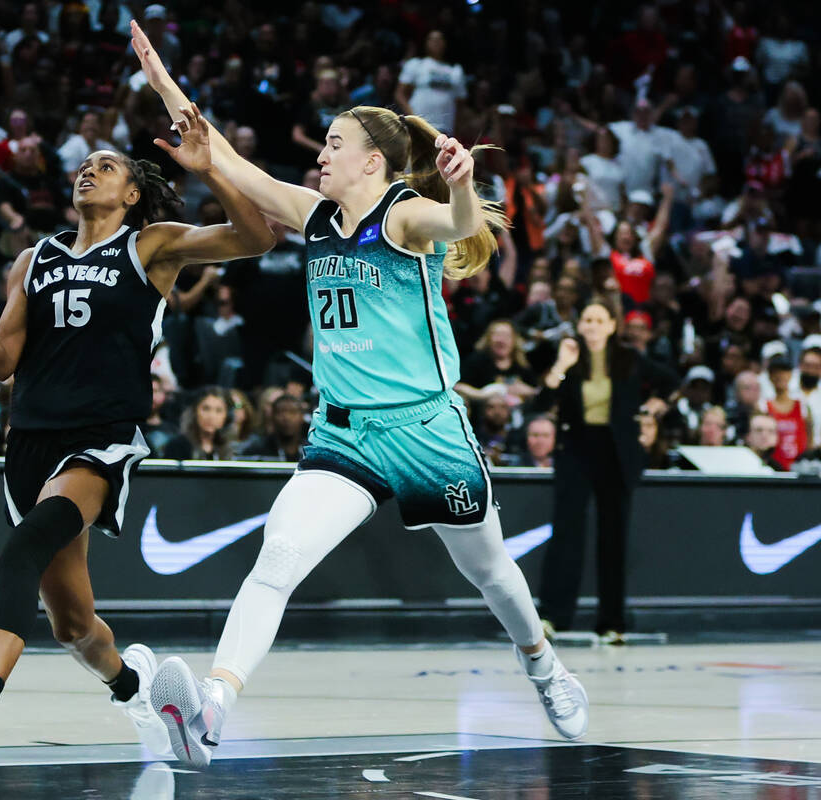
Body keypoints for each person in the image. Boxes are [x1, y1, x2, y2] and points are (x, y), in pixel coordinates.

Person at [131, 21, 589, 770]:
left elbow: (461, 223)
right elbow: (224, 158)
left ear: (372, 162)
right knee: (277, 556)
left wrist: (467, 182)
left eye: (333, 145)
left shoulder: (403, 213)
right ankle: (211, 707)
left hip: (428, 431)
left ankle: (545, 667)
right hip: (344, 435)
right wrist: (162, 80)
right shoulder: (313, 216)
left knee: (492, 573)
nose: (320, 153)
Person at [0, 96, 275, 782]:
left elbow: (257, 236)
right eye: (85, 165)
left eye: (108, 164)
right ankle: (135, 687)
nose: (91, 170)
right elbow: (0, 364)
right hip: (29, 438)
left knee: (20, 550)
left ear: (132, 191)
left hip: (101, 436)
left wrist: (209, 169)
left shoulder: (152, 244)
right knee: (72, 626)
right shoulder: (33, 259)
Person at [533, 300, 677, 642]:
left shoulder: (629, 359)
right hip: (576, 450)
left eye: (600, 320)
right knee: (567, 534)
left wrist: (655, 408)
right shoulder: (569, 357)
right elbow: (539, 404)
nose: (593, 326)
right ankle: (552, 616)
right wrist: (560, 367)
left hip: (616, 452)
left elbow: (669, 380)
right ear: (579, 325)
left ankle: (612, 621)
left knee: (613, 538)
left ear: (612, 326)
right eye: (587, 319)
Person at [762, 355, 812, 470]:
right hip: (772, 467)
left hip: (800, 467)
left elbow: (810, 437)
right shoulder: (763, 406)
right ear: (769, 376)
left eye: (784, 371)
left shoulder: (802, 405)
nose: (780, 375)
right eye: (775, 372)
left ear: (790, 374)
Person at [162, 387, 233, 460]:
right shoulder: (178, 446)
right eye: (206, 409)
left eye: (219, 411)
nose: (211, 416)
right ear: (195, 412)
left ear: (226, 416)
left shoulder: (227, 448)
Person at [239, 393, 306, 461]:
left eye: (293, 412)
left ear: (302, 417)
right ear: (272, 417)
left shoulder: (313, 451)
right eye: (280, 412)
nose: (287, 418)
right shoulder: (255, 451)